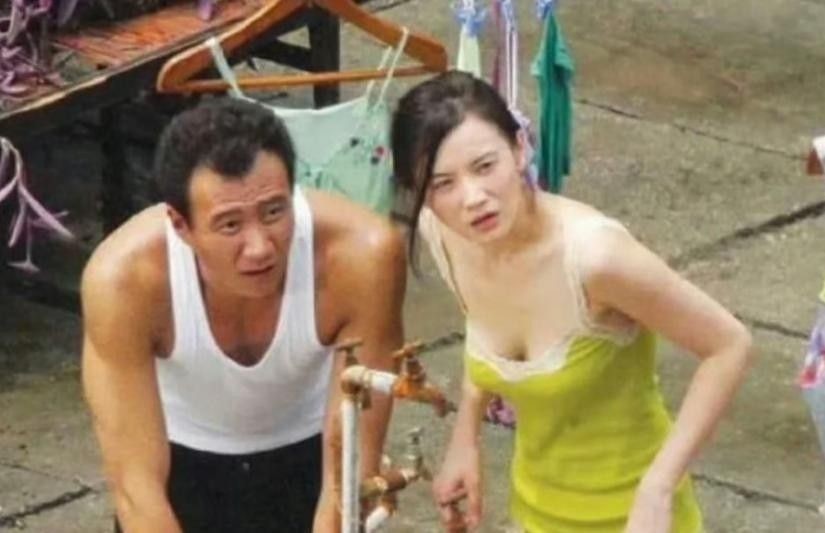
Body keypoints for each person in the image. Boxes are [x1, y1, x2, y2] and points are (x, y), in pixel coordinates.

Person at [390, 70, 754, 533]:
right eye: (443, 184)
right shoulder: (447, 236)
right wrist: (466, 437)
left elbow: (729, 345)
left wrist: (659, 487)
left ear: (520, 148)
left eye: (484, 167)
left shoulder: (595, 258)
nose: (473, 198)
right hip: (535, 511)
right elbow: (481, 325)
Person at [81, 98, 406, 533]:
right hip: (183, 463)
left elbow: (354, 454)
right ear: (180, 224)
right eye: (230, 225)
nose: (259, 248)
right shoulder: (124, 279)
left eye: (273, 212)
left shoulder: (363, 255)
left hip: (312, 454)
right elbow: (134, 486)